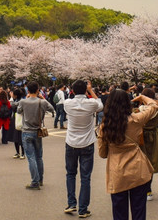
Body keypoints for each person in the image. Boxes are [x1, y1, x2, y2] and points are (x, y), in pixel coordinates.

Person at [98, 90, 158, 220]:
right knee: (139, 210)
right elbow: (154, 106)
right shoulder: (136, 120)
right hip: (137, 168)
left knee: (119, 212)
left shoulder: (105, 126)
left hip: (117, 171)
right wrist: (142, 96)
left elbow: (102, 153)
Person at [63, 80, 103, 217]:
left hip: (71, 143)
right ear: (85, 90)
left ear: (72, 91)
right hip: (87, 143)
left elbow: (70, 101)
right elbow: (101, 105)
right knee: (85, 177)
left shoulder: (67, 104)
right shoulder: (91, 103)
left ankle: (71, 203)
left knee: (70, 174)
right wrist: (91, 91)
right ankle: (83, 209)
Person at [16, 81, 55, 190]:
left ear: (28, 90)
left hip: (26, 131)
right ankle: (40, 179)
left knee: (31, 157)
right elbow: (52, 108)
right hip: (38, 131)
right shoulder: (42, 102)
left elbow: (18, 111)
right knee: (39, 157)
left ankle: (35, 181)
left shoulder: (23, 102)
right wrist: (42, 98)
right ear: (38, 90)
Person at [11, 88, 26, 159]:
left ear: (16, 95)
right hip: (15, 119)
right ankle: (18, 152)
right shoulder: (16, 101)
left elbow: (14, 107)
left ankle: (23, 153)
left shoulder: (21, 102)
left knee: (21, 137)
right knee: (15, 137)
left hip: (20, 119)